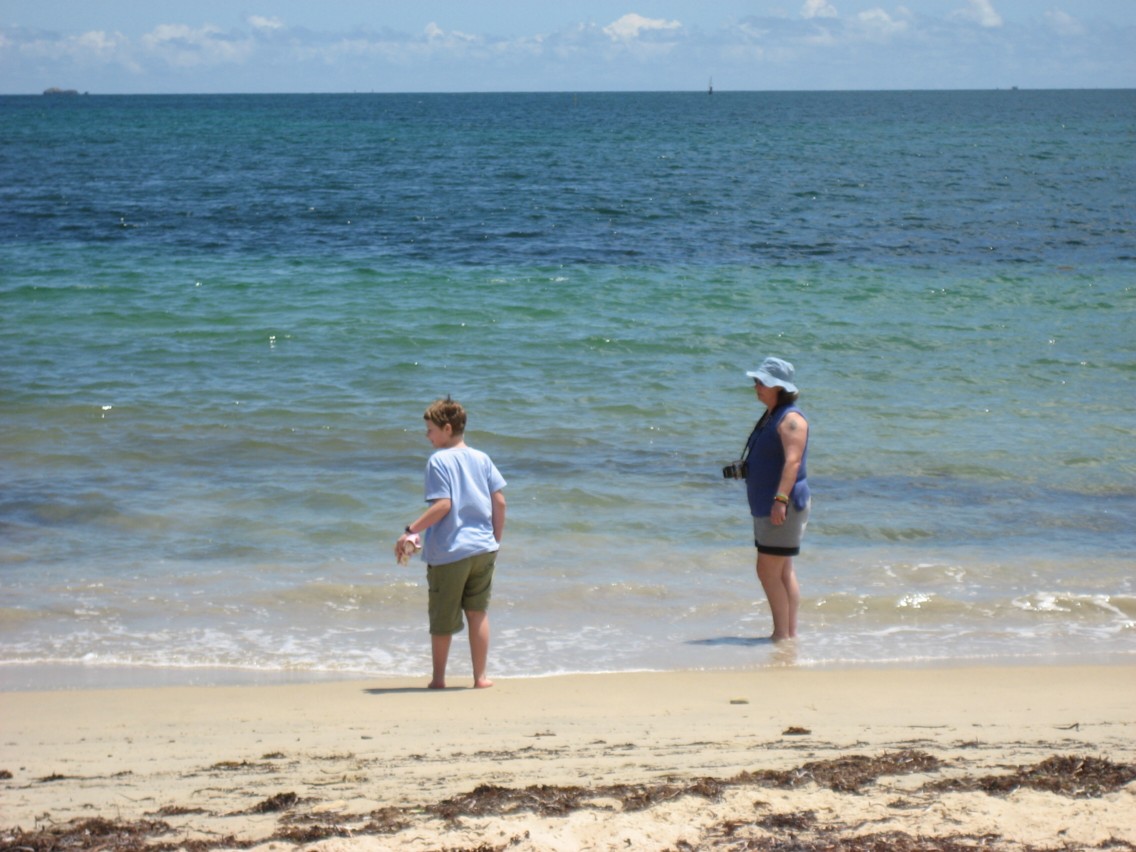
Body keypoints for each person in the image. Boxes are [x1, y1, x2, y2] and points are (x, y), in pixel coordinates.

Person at [394, 397, 506, 689]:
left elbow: (443, 505)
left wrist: (411, 529)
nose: (427, 435)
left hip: (450, 552)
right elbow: (500, 502)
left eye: (430, 429)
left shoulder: (438, 461)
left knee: (442, 618)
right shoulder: (482, 458)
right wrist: (495, 540)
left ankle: (439, 678)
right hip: (483, 549)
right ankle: (480, 677)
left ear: (446, 429)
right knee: (477, 612)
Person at [740, 357, 810, 642]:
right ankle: (788, 634)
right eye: (756, 381)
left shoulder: (791, 420)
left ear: (778, 387)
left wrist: (780, 500)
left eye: (761, 382)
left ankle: (781, 635)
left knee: (767, 570)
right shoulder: (773, 415)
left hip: (783, 506)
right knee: (781, 570)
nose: (756, 386)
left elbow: (793, 463)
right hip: (768, 505)